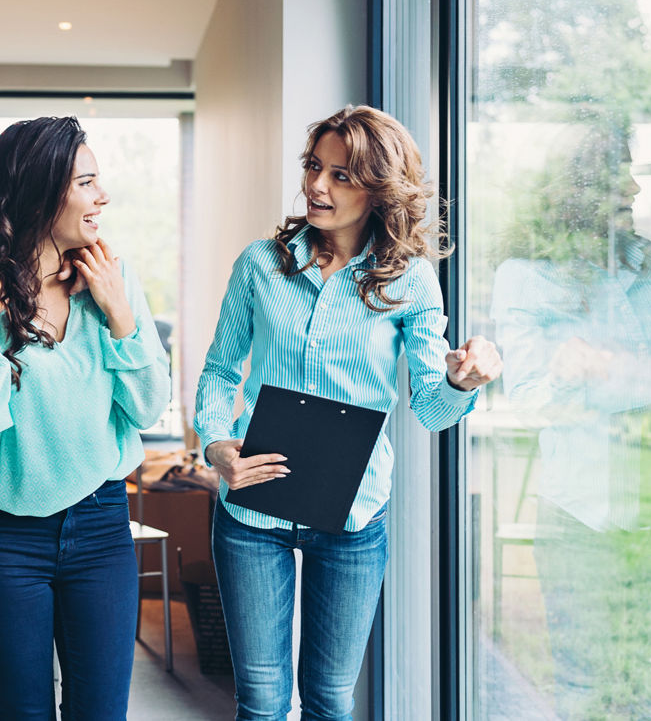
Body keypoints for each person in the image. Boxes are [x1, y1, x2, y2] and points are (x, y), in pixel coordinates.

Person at [194, 105, 502, 720]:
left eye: (340, 175)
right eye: (314, 167)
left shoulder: (410, 281)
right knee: (260, 699)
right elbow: (221, 371)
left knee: (330, 700)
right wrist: (215, 442)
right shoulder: (261, 264)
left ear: (379, 190)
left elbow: (430, 410)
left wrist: (462, 383)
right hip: (253, 505)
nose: (316, 186)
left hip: (353, 515)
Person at [0, 116, 170, 720]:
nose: (103, 197)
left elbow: (147, 407)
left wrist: (121, 313)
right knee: (22, 715)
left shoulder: (113, 287)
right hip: (3, 537)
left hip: (100, 527)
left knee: (100, 714)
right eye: (86, 183)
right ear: (43, 192)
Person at [489, 127, 651, 718]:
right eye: (620, 171)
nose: (635, 186)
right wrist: (572, 374)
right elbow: (532, 399)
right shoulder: (525, 275)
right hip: (580, 519)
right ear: (578, 188)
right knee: (582, 689)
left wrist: (617, 371)